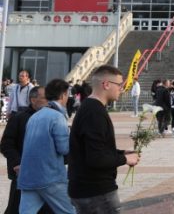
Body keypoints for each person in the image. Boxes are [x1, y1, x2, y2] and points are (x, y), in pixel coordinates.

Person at [68, 65, 141, 213]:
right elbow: (96, 158)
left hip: (86, 188)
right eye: (120, 85)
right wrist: (125, 160)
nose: (122, 89)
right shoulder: (94, 112)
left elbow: (94, 148)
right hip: (96, 191)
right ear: (106, 84)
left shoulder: (90, 107)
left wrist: (121, 153)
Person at [17, 79, 74, 214]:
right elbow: (64, 149)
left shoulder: (34, 117)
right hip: (50, 176)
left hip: (29, 176)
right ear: (63, 95)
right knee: (69, 211)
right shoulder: (57, 117)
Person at [0, 86, 53, 214]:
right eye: (45, 98)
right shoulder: (19, 118)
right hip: (24, 175)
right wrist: (18, 162)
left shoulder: (54, 118)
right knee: (17, 209)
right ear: (33, 100)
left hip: (49, 177)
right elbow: (6, 144)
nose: (49, 101)